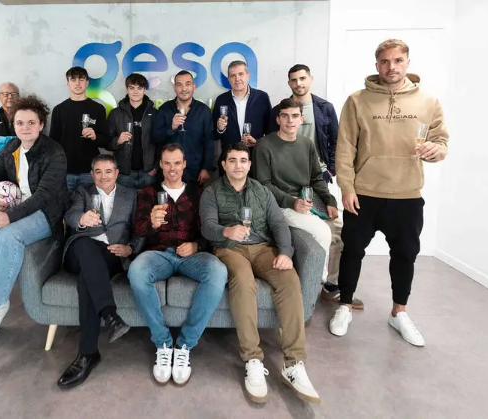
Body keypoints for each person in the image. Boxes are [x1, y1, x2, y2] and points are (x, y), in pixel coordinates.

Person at [330, 39, 449, 347]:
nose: (391, 67)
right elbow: (345, 148)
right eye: (385, 61)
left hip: (407, 194)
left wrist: (436, 150)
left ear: (407, 63)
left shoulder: (428, 101)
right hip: (364, 193)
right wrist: (347, 187)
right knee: (352, 250)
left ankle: (399, 312)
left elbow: (441, 142)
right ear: (377, 65)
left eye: (397, 61)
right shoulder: (357, 100)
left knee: (405, 255)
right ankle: (345, 305)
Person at [200, 143, 320, 404]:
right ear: (224, 165)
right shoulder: (212, 192)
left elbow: (278, 224)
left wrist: (285, 252)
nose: (238, 165)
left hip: (263, 248)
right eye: (232, 160)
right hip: (229, 249)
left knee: (289, 280)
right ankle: (253, 359)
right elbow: (206, 227)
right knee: (243, 282)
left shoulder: (262, 191)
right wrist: (226, 231)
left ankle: (294, 363)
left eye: (243, 160)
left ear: (249, 164)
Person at [0, 95, 68, 355]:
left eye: (31, 122)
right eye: (20, 123)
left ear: (41, 125)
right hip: (13, 212)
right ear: (14, 125)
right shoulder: (11, 148)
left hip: (45, 214)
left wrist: (9, 217)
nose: (25, 127)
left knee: (8, 236)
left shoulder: (54, 152)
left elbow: (43, 196)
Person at [128, 143, 227, 386]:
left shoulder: (198, 193)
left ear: (184, 165)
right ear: (161, 165)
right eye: (167, 163)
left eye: (176, 163)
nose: (172, 168)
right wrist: (151, 224)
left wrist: (196, 245)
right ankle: (163, 344)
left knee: (218, 271)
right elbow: (137, 229)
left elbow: (208, 230)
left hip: (190, 255)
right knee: (137, 270)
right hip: (158, 254)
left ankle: (184, 346)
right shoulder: (148, 193)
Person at [254, 98, 363, 309]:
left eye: (295, 116)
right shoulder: (264, 146)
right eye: (285, 116)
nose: (290, 121)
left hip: (308, 200)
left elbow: (315, 178)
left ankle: (331, 286)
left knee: (344, 232)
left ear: (302, 119)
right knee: (322, 232)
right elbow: (263, 185)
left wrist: (330, 200)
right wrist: (292, 202)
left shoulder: (307, 144)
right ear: (278, 119)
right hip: (280, 205)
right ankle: (313, 288)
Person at [58, 154, 140, 389]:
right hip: (79, 251)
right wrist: (82, 218)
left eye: (108, 171)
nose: (103, 176)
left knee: (88, 277)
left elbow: (140, 229)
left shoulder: (130, 195)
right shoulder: (82, 192)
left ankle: (88, 354)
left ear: (116, 173)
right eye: (98, 171)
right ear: (92, 174)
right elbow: (70, 215)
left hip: (111, 255)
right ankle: (109, 313)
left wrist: (130, 248)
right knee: (86, 245)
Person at [50, 67, 110, 191]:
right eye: (73, 80)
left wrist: (95, 136)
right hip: (66, 171)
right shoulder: (59, 110)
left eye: (81, 79)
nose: (77, 83)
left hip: (91, 171)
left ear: (87, 83)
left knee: (92, 203)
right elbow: (53, 143)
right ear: (68, 83)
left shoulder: (98, 109)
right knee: (66, 203)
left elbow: (106, 140)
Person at [153, 70, 214, 185]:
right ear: (174, 88)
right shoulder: (164, 109)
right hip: (169, 172)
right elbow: (156, 138)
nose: (184, 89)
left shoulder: (203, 111)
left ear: (193, 87)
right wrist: (171, 128)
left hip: (195, 171)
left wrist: (206, 168)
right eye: (179, 85)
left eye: (188, 84)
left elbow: (209, 142)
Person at [213, 60, 272, 171]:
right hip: (229, 161)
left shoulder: (262, 98)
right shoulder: (221, 100)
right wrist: (220, 129)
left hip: (256, 159)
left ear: (248, 75)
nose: (237, 79)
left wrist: (257, 142)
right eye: (233, 76)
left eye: (241, 74)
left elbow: (270, 131)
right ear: (228, 79)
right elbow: (214, 135)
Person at [106, 73, 158, 188]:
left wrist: (155, 168)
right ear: (127, 89)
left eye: (139, 88)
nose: (135, 91)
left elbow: (160, 142)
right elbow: (106, 142)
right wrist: (118, 141)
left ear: (144, 90)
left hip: (148, 173)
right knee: (124, 200)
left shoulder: (154, 113)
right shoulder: (115, 114)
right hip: (123, 174)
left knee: (148, 200)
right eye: (132, 88)